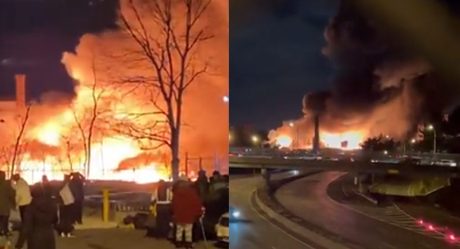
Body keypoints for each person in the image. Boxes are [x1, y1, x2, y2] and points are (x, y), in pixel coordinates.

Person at [15, 184, 58, 249]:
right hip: (49, 236)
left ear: (32, 194)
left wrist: (19, 244)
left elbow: (26, 228)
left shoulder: (31, 207)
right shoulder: (52, 205)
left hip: (35, 238)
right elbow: (55, 220)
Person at [172, 177, 203, 249]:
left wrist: (174, 212)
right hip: (189, 215)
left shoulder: (176, 193)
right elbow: (197, 203)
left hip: (179, 215)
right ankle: (188, 244)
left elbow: (173, 204)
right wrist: (199, 213)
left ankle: (178, 244)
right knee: (188, 231)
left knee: (179, 230)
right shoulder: (192, 192)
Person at [0, 171, 15, 236]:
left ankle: (0, 231)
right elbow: (12, 193)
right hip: (5, 206)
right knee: (5, 219)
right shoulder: (6, 184)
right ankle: (5, 231)